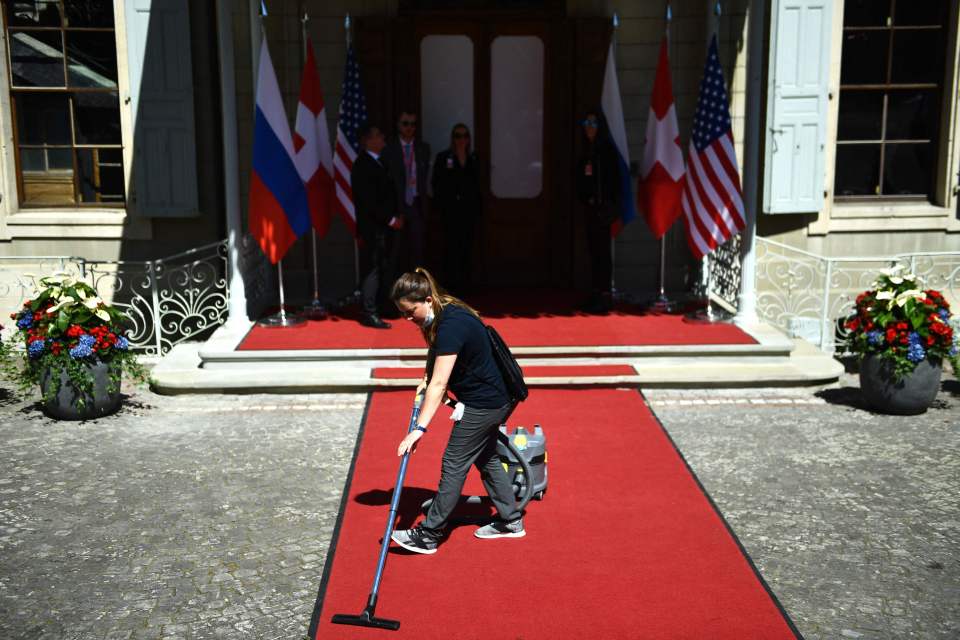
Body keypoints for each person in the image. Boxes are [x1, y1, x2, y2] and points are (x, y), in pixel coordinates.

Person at [388, 268, 524, 554]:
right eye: (403, 314)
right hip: (491, 397)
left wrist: (419, 429)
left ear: (427, 299)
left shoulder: (450, 325)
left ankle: (429, 533)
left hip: (485, 402)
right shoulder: (445, 310)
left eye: (411, 312)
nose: (409, 319)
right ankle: (511, 521)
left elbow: (439, 384)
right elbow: (435, 365)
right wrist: (427, 377)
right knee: (485, 457)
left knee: (454, 462)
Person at [351, 123, 402, 329]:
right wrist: (390, 219)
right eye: (378, 136)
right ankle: (368, 311)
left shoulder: (380, 162)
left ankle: (381, 305)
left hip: (383, 228)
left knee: (382, 267)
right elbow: (368, 201)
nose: (382, 139)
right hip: (372, 228)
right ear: (368, 141)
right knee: (371, 269)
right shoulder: (362, 165)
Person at [575, 110, 622, 313]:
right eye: (586, 123)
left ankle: (604, 295)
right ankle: (595, 292)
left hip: (604, 211)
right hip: (590, 210)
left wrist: (607, 203)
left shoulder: (607, 151)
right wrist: (586, 198)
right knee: (593, 252)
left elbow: (613, 181)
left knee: (603, 254)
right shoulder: (587, 150)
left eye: (593, 123)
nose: (589, 127)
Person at [431, 123, 482, 294]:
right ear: (453, 139)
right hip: (450, 212)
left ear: (469, 139)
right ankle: (449, 287)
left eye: (464, 136)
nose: (461, 140)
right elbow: (436, 183)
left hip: (468, 212)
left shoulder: (474, 158)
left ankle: (466, 286)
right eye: (457, 136)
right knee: (450, 248)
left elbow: (478, 186)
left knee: (466, 248)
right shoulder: (444, 158)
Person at [383, 109, 431, 274]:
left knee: (418, 251)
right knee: (395, 251)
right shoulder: (389, 149)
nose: (409, 127)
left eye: (413, 124)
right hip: (397, 205)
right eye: (405, 123)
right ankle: (392, 292)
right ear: (398, 125)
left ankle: (416, 291)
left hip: (416, 204)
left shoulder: (423, 148)